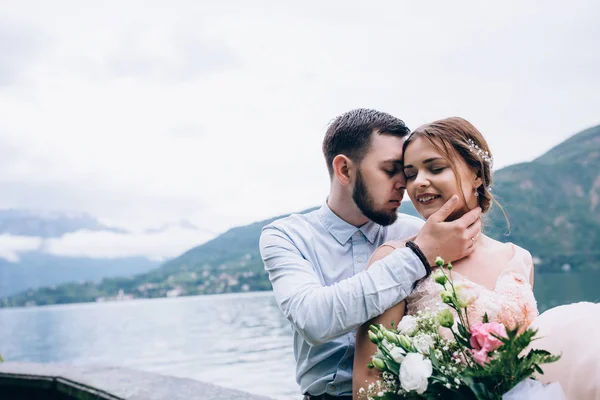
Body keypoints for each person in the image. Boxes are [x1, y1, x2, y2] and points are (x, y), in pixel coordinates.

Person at [259, 109, 482, 400]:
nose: (405, 184)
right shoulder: (286, 236)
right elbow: (312, 319)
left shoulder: (420, 231)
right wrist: (418, 256)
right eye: (390, 170)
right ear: (344, 170)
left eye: (406, 172)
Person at [353, 117, 539, 398]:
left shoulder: (519, 259)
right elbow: (369, 381)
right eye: (411, 174)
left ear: (476, 173)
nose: (419, 183)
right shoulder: (394, 259)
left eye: (436, 168)